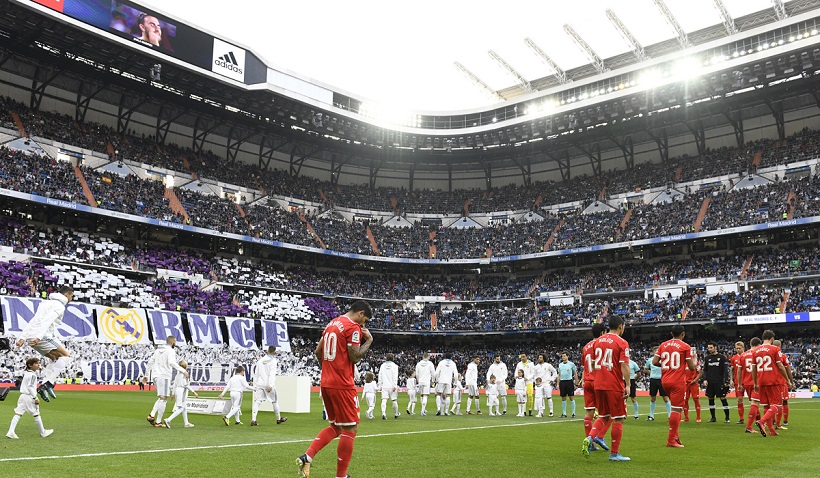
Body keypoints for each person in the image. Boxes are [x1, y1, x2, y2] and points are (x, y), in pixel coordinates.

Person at [297, 300, 373, 478]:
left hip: (326, 382)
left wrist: (328, 371)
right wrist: (368, 340)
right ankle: (341, 476)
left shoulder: (332, 323)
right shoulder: (352, 327)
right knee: (351, 428)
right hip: (342, 384)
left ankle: (307, 457)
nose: (364, 325)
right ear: (360, 313)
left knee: (336, 426)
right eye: (365, 320)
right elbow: (355, 357)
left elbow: (318, 351)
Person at [583, 316, 631, 462]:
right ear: (621, 326)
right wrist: (628, 385)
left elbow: (590, 363)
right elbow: (624, 365)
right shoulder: (622, 342)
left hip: (598, 383)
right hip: (613, 384)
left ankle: (590, 437)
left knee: (603, 415)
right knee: (619, 418)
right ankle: (614, 454)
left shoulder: (596, 342)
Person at [14, 285, 75, 401]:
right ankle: (48, 383)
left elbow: (34, 320)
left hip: (32, 336)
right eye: (71, 296)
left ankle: (45, 383)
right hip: (42, 336)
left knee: (55, 359)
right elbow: (47, 322)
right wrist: (38, 337)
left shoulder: (45, 303)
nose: (71, 299)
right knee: (66, 356)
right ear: (66, 295)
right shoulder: (59, 306)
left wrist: (22, 337)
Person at [654, 325, 697, 448]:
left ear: (671, 333)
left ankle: (676, 436)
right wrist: (691, 361)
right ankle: (671, 440)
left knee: (675, 408)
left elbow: (654, 362)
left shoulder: (663, 345)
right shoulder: (685, 346)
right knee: (677, 409)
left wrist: (668, 366)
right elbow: (692, 367)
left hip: (665, 380)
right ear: (683, 334)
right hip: (678, 381)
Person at [751, 330, 790, 437]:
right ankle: (762, 421)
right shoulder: (775, 349)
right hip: (773, 380)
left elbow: (753, 368)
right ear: (772, 338)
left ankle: (771, 430)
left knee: (766, 405)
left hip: (761, 380)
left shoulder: (755, 351)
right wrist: (787, 379)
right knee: (776, 405)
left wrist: (755, 382)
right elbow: (781, 366)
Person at [5, 357, 53, 439]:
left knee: (18, 413)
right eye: (37, 363)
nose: (39, 365)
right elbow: (30, 387)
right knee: (36, 414)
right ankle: (43, 432)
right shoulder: (33, 375)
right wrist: (35, 398)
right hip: (29, 396)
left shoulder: (27, 373)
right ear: (30, 365)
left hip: (22, 396)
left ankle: (11, 431)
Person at [146, 336, 187, 428]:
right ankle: (158, 421)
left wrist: (146, 374)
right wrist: (183, 370)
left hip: (156, 376)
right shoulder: (171, 351)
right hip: (164, 376)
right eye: (175, 341)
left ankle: (151, 415)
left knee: (161, 397)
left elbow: (150, 361)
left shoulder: (157, 351)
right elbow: (171, 362)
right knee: (164, 399)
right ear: (172, 342)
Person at [581, 323, 607, 449]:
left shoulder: (586, 347)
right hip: (598, 381)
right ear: (602, 333)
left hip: (587, 381)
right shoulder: (602, 344)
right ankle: (599, 436)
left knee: (589, 413)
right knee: (607, 413)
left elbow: (584, 364)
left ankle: (590, 443)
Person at [251, 345, 287, 426]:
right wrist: (270, 385)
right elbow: (272, 374)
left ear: (267, 350)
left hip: (260, 383)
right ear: (274, 352)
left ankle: (253, 419)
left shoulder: (260, 360)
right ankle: (278, 419)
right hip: (268, 384)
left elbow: (256, 373)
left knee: (257, 401)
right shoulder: (273, 361)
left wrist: (255, 385)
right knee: (274, 401)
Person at [163, 360, 198, 428]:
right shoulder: (184, 375)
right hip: (181, 391)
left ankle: (186, 423)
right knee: (181, 408)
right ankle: (168, 419)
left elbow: (174, 385)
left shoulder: (178, 375)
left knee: (184, 407)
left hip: (177, 390)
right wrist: (194, 392)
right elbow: (186, 385)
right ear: (185, 366)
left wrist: (173, 394)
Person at [702, 341, 731, 423]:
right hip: (710, 382)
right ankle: (713, 417)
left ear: (715, 347)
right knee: (710, 398)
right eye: (709, 347)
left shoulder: (722, 357)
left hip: (719, 382)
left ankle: (727, 418)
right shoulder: (707, 358)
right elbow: (705, 370)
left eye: (711, 347)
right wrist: (704, 379)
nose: (709, 349)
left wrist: (726, 380)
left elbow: (726, 370)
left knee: (723, 398)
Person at [740, 337, 763, 433]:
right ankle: (749, 427)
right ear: (759, 345)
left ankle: (760, 422)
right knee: (755, 404)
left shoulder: (743, 355)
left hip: (746, 383)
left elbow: (739, 371)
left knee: (753, 403)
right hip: (755, 382)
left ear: (750, 344)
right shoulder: (759, 353)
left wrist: (740, 383)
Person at [645, 346, 672, 421]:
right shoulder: (650, 360)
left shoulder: (664, 359)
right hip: (653, 379)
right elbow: (645, 369)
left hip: (662, 379)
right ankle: (651, 415)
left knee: (665, 398)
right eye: (656, 351)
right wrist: (651, 374)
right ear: (653, 352)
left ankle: (670, 415)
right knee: (653, 398)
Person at [772, 339, 794, 428]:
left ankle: (772, 421)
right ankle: (783, 421)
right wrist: (790, 381)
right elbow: (787, 369)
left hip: (771, 382)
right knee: (783, 402)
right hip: (781, 382)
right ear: (780, 346)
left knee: (772, 402)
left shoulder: (769, 355)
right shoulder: (783, 356)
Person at [378, 353, 400, 419]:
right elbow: (395, 376)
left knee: (384, 400)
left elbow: (380, 376)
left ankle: (383, 413)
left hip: (384, 385)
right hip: (392, 385)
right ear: (393, 358)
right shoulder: (395, 366)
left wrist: (380, 385)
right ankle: (396, 414)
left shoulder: (382, 366)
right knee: (394, 400)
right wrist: (395, 385)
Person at [415, 352, 436, 416]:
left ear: (422, 356)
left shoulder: (418, 364)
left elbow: (417, 374)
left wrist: (418, 380)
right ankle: (422, 410)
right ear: (428, 357)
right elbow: (433, 373)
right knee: (425, 396)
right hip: (426, 381)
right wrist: (433, 380)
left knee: (421, 395)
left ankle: (423, 409)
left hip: (420, 381)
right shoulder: (430, 364)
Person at [730, 341, 746, 424]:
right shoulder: (734, 358)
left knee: (753, 400)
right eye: (737, 348)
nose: (738, 350)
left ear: (743, 348)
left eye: (740, 348)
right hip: (737, 381)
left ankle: (757, 419)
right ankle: (741, 419)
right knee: (740, 399)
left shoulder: (747, 356)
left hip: (747, 381)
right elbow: (732, 369)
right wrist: (731, 380)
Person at [558, 352, 578, 418]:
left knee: (571, 397)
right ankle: (564, 413)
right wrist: (558, 383)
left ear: (567, 356)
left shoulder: (571, 364)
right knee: (563, 398)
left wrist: (576, 382)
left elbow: (575, 373)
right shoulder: (560, 365)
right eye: (562, 356)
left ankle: (573, 413)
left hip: (569, 382)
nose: (563, 357)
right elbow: (559, 374)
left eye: (564, 356)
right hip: (562, 382)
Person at [683, 357, 702, 422]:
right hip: (685, 384)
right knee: (685, 400)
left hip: (694, 384)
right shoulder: (683, 362)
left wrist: (695, 380)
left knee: (696, 400)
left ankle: (698, 417)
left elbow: (700, 373)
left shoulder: (695, 362)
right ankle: (686, 417)